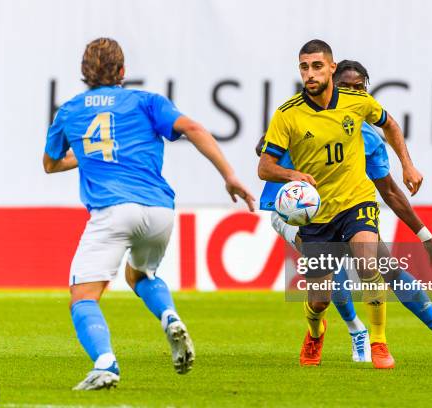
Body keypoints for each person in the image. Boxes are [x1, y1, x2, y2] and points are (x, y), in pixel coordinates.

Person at [43, 38, 255, 390]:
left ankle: (105, 363)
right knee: (139, 275)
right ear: (123, 72)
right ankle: (169, 315)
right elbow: (194, 129)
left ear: (83, 73)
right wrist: (230, 175)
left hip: (112, 211)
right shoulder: (146, 101)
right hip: (159, 210)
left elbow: (50, 164)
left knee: (83, 297)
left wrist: (90, 154)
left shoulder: (69, 111)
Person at [258, 60, 432, 364]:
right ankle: (352, 330)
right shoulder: (299, 113)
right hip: (293, 212)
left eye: (358, 88)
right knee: (327, 277)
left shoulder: (370, 139)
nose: (351, 92)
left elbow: (389, 191)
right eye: (345, 86)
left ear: (365, 92)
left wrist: (425, 236)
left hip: (348, 206)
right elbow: (264, 151)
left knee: (384, 266)